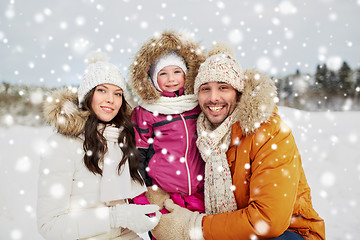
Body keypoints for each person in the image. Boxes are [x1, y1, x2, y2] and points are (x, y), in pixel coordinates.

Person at [149, 46, 326, 240]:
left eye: (223, 87)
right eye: (205, 89)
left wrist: (194, 227)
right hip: (234, 231)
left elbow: (268, 221)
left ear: (238, 92)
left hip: (289, 233)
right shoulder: (201, 135)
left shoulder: (269, 132)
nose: (213, 97)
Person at [37, 52, 161, 240]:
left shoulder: (119, 141)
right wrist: (115, 217)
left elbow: (121, 228)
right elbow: (50, 226)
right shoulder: (61, 145)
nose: (111, 99)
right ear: (87, 96)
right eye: (102, 90)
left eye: (117, 93)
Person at [129, 30, 206, 216]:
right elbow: (138, 155)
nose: (171, 79)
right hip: (165, 196)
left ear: (187, 74)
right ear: (153, 79)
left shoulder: (197, 105)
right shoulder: (146, 112)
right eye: (163, 73)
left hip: (200, 193)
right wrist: (144, 192)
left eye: (177, 72)